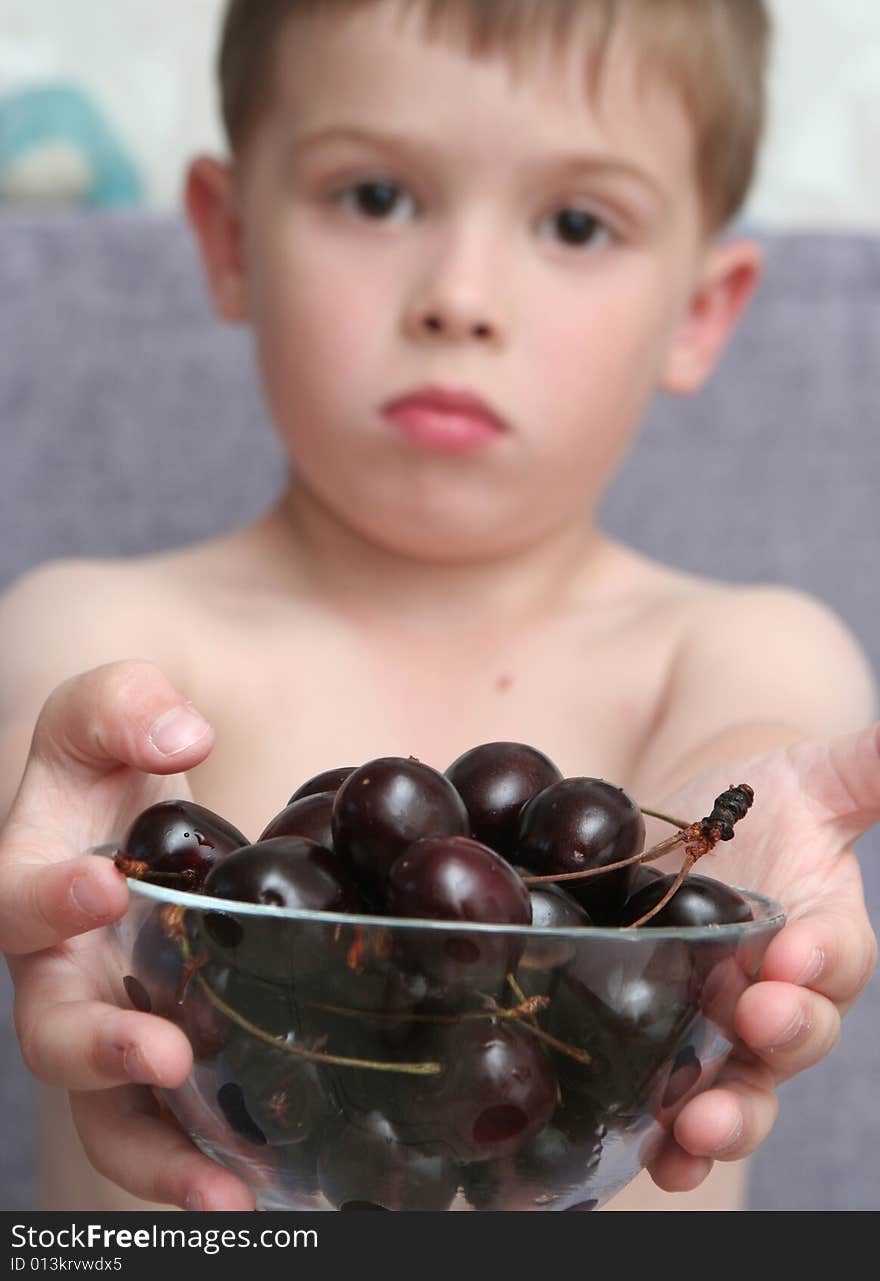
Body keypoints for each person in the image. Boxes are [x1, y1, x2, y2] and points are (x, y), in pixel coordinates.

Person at [0, 0, 877, 1214]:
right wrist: (69, 864)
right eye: (374, 196)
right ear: (229, 238)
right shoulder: (91, 631)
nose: (458, 297)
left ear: (700, 308)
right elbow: (54, 781)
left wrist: (714, 878)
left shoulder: (739, 647)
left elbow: (735, 775)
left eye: (576, 221)